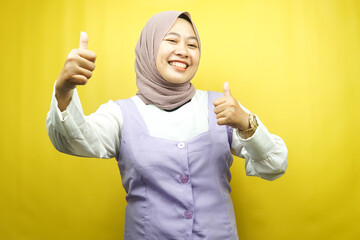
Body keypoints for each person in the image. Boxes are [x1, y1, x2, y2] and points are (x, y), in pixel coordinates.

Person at [47, 11, 288, 240]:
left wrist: (247, 124)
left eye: (192, 45)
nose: (183, 51)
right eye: (171, 40)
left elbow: (275, 164)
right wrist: (64, 89)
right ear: (149, 47)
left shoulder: (222, 106)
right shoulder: (121, 114)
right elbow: (71, 140)